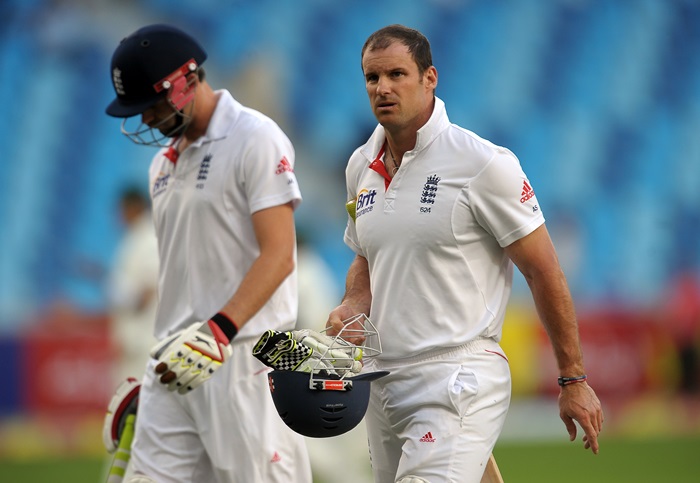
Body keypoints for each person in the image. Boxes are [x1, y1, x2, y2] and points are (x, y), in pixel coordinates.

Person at [326, 24, 604, 483]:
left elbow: (543, 270)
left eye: (398, 74)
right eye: (372, 78)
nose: (383, 88)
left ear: (430, 77)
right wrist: (355, 302)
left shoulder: (484, 163)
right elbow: (364, 256)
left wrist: (573, 379)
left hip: (456, 373)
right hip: (380, 379)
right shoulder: (360, 165)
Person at [105, 24, 311, 483]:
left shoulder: (254, 137)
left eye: (152, 105)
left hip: (242, 359)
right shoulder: (162, 163)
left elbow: (279, 255)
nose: (147, 121)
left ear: (185, 80)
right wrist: (160, 361)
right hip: (171, 364)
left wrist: (217, 331)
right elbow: (186, 273)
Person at [107, 186, 159, 385]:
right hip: (133, 345)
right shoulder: (133, 238)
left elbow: (145, 294)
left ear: (133, 207)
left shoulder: (148, 239)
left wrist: (118, 293)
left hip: (145, 344)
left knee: (138, 408)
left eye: (121, 209)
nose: (119, 216)